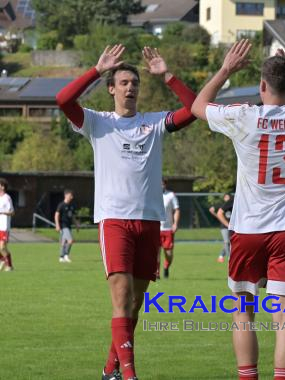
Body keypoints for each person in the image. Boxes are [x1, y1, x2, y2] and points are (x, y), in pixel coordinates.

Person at [56, 44, 197, 380]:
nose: (130, 87)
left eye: (135, 83)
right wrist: (96, 69)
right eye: (123, 82)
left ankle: (110, 370)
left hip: (150, 222)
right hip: (115, 221)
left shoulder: (155, 123)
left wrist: (168, 76)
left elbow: (194, 110)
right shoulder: (97, 123)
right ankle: (130, 375)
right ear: (111, 89)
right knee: (121, 300)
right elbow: (63, 100)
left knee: (134, 306)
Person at [191, 41, 285, 380]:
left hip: (247, 230)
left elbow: (198, 106)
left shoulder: (244, 116)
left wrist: (226, 69)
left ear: (262, 86)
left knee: (242, 315)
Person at [159, 179, 180, 278]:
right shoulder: (151, 195)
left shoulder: (171, 195)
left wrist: (175, 224)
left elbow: (176, 210)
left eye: (162, 184)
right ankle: (156, 273)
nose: (160, 186)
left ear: (165, 185)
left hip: (168, 229)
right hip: (155, 229)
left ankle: (166, 267)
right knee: (155, 253)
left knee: (169, 254)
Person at [55, 189, 79, 263]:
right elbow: (56, 215)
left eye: (72, 196)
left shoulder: (71, 206)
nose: (71, 197)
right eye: (70, 195)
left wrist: (76, 225)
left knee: (64, 242)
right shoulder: (61, 205)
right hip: (63, 226)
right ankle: (66, 255)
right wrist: (57, 225)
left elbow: (72, 217)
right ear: (66, 195)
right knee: (70, 241)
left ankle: (61, 257)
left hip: (68, 226)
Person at [0, 178, 14, 272]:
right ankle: (2, 261)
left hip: (4, 227)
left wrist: (3, 212)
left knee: (2, 247)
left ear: (3, 186)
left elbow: (12, 212)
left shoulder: (7, 197)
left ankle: (8, 265)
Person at [216, 193, 233, 263]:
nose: (227, 198)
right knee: (226, 242)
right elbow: (218, 213)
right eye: (225, 197)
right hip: (224, 227)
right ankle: (229, 257)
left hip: (232, 227)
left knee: (231, 243)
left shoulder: (233, 204)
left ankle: (221, 256)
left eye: (228, 197)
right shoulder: (222, 205)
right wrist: (227, 224)